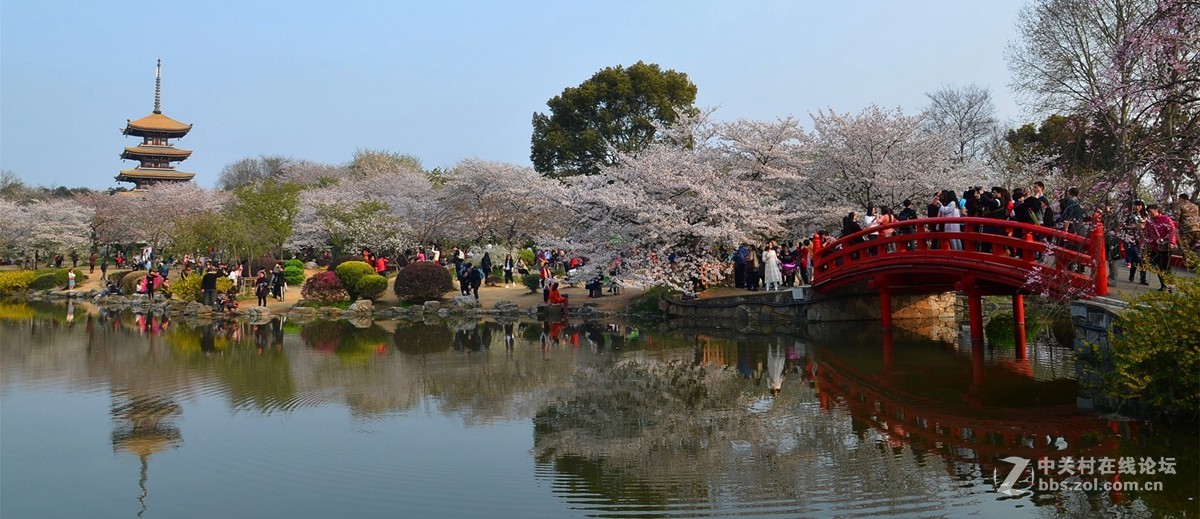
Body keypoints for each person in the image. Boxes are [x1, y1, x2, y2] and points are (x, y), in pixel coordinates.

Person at [1144, 203, 1178, 291]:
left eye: (1151, 211)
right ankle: (1163, 284)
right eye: (1148, 212)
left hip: (1165, 246)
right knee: (1157, 266)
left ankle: (1170, 286)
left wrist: (1172, 242)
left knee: (1166, 266)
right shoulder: (1149, 221)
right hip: (1154, 246)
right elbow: (1147, 233)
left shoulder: (1166, 219)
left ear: (1156, 210)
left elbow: (1172, 231)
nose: (1150, 213)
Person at [1123, 200, 1149, 285]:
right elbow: (1124, 226)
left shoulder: (1145, 215)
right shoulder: (1130, 215)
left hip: (1143, 239)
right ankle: (1132, 274)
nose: (1137, 207)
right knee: (1137, 258)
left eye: (1139, 205)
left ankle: (1142, 278)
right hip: (1132, 238)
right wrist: (1134, 226)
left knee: (1142, 259)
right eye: (1136, 205)